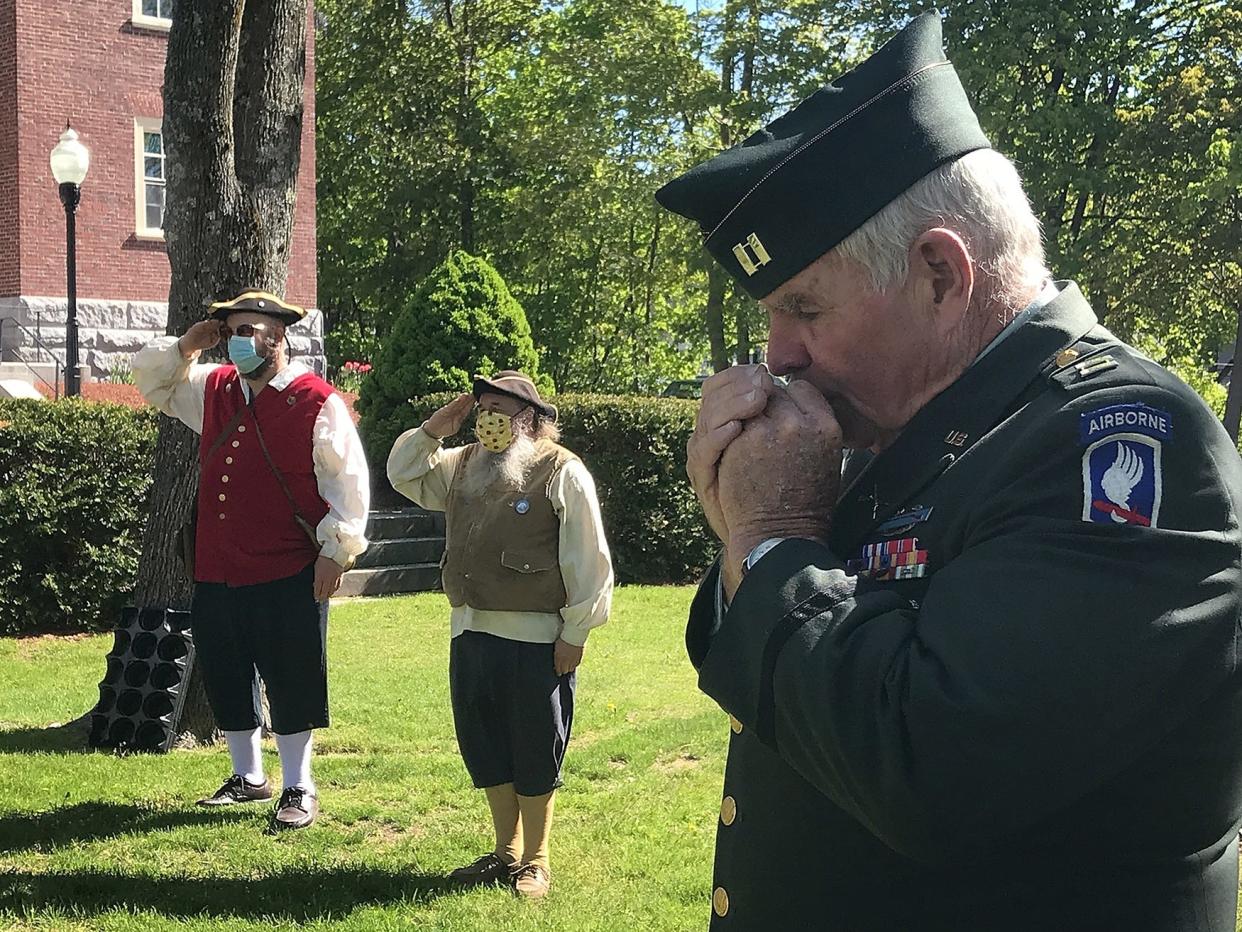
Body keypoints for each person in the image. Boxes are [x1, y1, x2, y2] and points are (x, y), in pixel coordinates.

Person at [655, 12, 1242, 931]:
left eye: (801, 306)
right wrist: (749, 538)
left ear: (939, 272)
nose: (779, 356)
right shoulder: (913, 431)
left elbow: (932, 769)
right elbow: (771, 670)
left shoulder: (1124, 440)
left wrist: (770, 541)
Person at [133, 290, 370, 831]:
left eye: (251, 330)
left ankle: (299, 785)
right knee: (226, 668)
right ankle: (248, 776)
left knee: (290, 673)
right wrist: (190, 345)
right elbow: (153, 381)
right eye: (233, 330)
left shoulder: (317, 400)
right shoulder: (214, 387)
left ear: (278, 336)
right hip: (217, 564)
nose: (241, 340)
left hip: (287, 565)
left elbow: (348, 484)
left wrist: (337, 551)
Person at [387, 371, 613, 899]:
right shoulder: (461, 464)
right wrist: (435, 427)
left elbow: (590, 558)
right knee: (484, 744)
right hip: (470, 630)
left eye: (501, 409)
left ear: (529, 420)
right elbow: (402, 472)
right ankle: (504, 852)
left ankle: (537, 859)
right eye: (483, 407)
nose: (488, 418)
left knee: (536, 747)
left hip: (537, 638)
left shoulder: (562, 471)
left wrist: (576, 633)